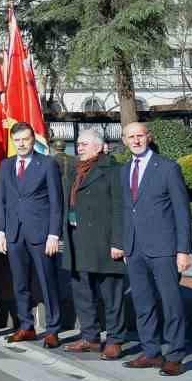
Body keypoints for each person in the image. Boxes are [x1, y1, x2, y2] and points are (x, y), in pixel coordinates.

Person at [113, 121, 192, 376]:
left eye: (140, 136)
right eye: (130, 137)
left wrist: (183, 250)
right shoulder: (124, 170)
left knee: (171, 303)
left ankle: (176, 354)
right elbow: (126, 210)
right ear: (124, 141)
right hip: (134, 249)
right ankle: (151, 352)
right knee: (143, 303)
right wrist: (125, 245)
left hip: (164, 248)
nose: (136, 141)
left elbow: (182, 212)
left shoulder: (168, 168)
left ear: (148, 137)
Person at [60, 130, 127, 357]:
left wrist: (118, 242)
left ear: (98, 147)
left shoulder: (112, 170)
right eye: (78, 144)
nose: (79, 148)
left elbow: (120, 208)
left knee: (111, 295)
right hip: (77, 240)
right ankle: (89, 337)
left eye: (84, 144)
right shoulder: (75, 170)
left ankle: (115, 339)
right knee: (82, 292)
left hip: (104, 242)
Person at [0, 123, 65, 347]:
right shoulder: (6, 165)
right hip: (14, 232)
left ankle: (53, 328)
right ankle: (26, 325)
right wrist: (1, 231)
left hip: (41, 233)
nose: (22, 144)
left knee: (47, 281)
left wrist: (54, 234)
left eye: (25, 139)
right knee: (19, 283)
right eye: (17, 140)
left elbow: (57, 202)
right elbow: (3, 201)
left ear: (33, 139)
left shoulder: (47, 164)